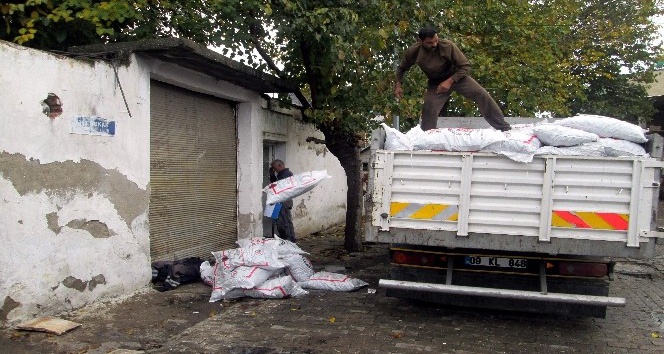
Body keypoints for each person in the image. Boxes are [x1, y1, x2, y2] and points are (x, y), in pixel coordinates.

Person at [394, 26, 511, 132]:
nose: (434, 44)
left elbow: (465, 66)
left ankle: (503, 127)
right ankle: (427, 136)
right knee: (429, 108)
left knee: (482, 95)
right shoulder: (413, 52)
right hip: (436, 83)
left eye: (436, 40)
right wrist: (398, 85)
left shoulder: (447, 46)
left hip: (457, 77)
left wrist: (449, 81)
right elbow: (401, 68)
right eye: (430, 43)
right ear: (420, 41)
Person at [269, 159, 296, 243]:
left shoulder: (285, 174)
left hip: (282, 202)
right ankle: (291, 240)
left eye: (274, 168)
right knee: (285, 221)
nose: (274, 170)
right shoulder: (282, 174)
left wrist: (272, 176)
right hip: (282, 201)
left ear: (280, 165)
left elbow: (278, 188)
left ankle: (287, 241)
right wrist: (272, 175)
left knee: (283, 222)